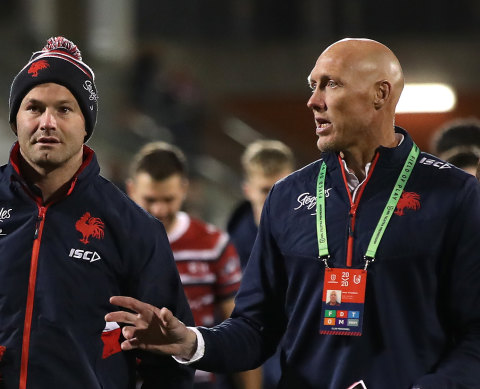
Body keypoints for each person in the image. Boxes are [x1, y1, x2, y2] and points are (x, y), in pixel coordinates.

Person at [106, 38, 480, 389]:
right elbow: (256, 327)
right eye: (312, 85)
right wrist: (190, 341)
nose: (313, 101)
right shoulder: (288, 196)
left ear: (380, 94)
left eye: (331, 85)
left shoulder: (455, 196)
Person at [0, 36, 194, 389]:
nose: (47, 122)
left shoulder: (134, 228)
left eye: (64, 109)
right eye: (34, 107)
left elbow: (170, 357)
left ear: (87, 124)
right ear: (15, 120)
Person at [126, 141, 261, 389]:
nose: (159, 209)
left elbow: (239, 323)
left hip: (199, 380)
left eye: (168, 199)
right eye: (150, 199)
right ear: (131, 189)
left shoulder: (213, 245)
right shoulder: (112, 245)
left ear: (184, 189)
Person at [226, 139, 294, 389]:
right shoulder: (227, 249)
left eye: (283, 186)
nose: (277, 197)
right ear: (248, 189)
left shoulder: (317, 240)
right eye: (266, 190)